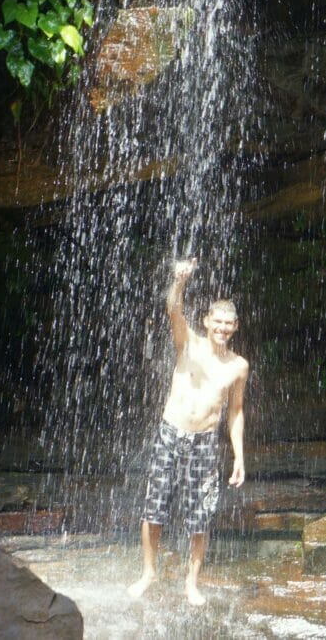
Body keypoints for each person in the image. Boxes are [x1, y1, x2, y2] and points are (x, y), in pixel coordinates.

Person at [127, 258, 249, 605]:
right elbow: (172, 310)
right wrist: (180, 281)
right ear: (208, 320)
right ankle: (148, 573)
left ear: (235, 326)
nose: (222, 328)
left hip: (205, 442)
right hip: (171, 434)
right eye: (217, 321)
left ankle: (191, 583)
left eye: (229, 323)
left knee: (200, 517)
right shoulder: (189, 342)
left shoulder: (239, 367)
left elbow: (236, 412)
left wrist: (239, 455)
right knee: (154, 509)